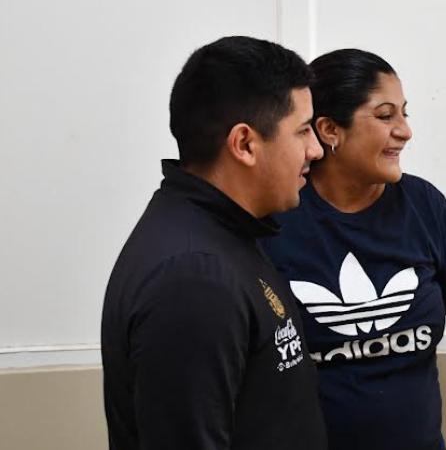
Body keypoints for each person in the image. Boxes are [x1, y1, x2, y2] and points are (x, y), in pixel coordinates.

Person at [260, 48, 446, 450]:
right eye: (386, 115)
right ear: (330, 130)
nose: (405, 130)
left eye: (405, 114)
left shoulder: (422, 205)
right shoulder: (279, 218)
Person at [101, 36, 328, 450]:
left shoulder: (225, 234)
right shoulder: (193, 276)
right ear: (244, 144)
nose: (316, 148)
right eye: (302, 131)